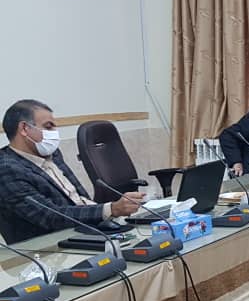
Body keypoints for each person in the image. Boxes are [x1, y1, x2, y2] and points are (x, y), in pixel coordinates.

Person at [0, 100, 145, 242]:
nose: (55, 133)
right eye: (48, 127)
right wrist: (110, 209)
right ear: (24, 129)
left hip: (87, 229)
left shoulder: (53, 154)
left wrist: (110, 211)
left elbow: (77, 198)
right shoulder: (7, 169)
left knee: (146, 236)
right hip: (51, 246)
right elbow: (50, 216)